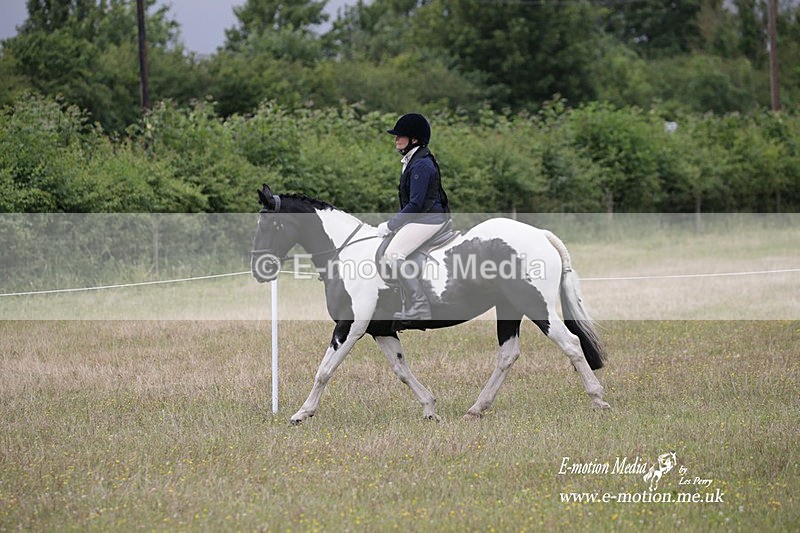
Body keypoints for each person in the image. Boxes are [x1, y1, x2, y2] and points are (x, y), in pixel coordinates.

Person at [377, 113, 450, 321]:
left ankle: (419, 305)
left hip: (429, 219)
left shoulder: (421, 165)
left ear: (414, 140)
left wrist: (391, 225)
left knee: (393, 254)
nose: (396, 139)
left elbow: (415, 205)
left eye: (401, 136)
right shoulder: (414, 160)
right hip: (423, 217)